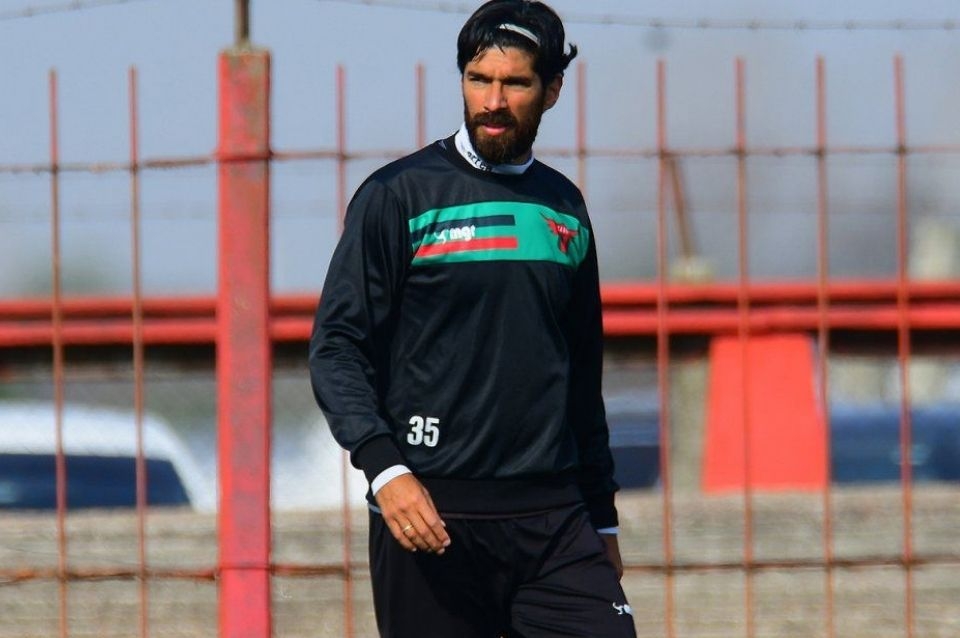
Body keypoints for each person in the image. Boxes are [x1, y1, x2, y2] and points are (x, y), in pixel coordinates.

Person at [309, 1, 636, 635]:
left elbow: (580, 373)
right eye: (478, 79)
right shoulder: (398, 195)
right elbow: (338, 346)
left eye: (515, 83)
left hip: (554, 521)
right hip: (431, 512)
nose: (493, 101)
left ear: (552, 90)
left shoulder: (565, 207)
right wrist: (386, 469)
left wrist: (602, 518)